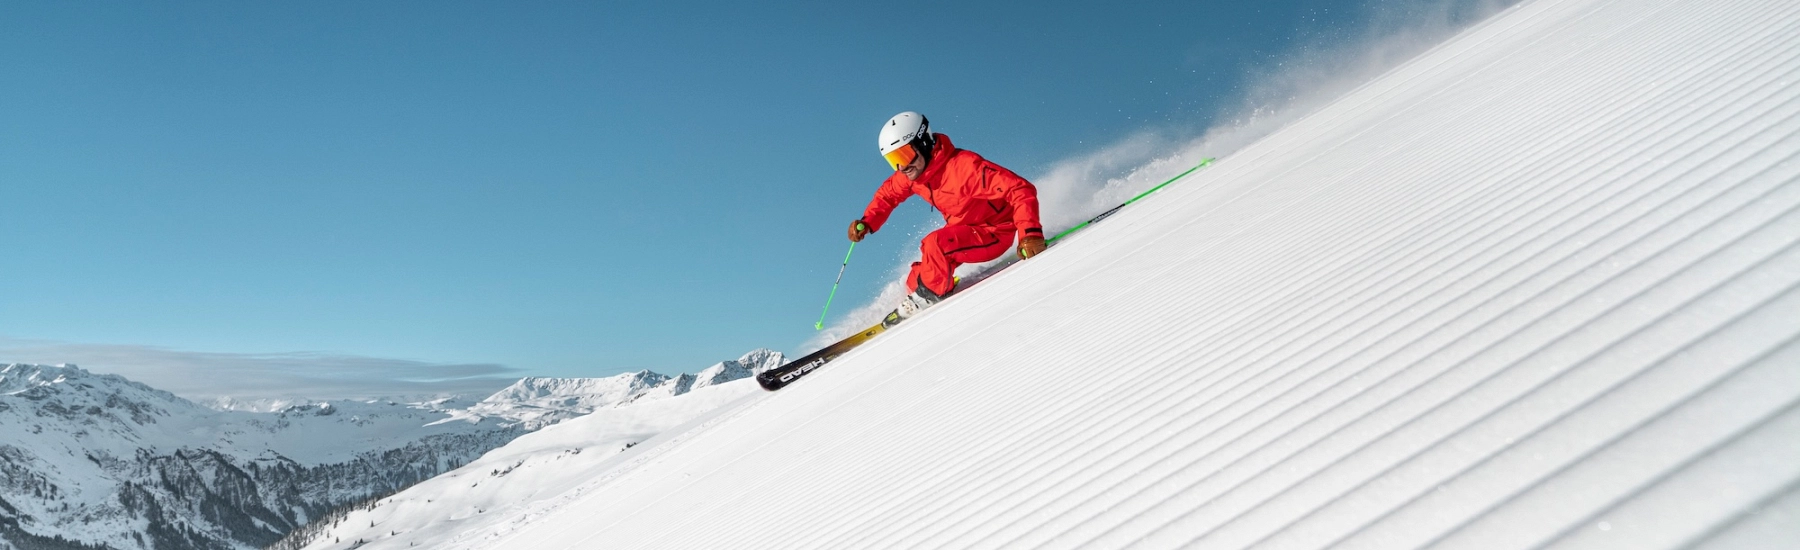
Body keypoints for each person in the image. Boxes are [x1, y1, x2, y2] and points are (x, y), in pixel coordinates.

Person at [848, 111, 1047, 321]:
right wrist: (867, 221)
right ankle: (931, 289)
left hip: (994, 231)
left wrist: (1030, 233)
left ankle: (931, 295)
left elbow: (1019, 189)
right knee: (915, 278)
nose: (902, 167)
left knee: (935, 244)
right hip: (964, 231)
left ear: (923, 142)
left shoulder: (964, 167)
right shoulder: (914, 176)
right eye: (893, 160)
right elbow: (888, 195)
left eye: (904, 156)